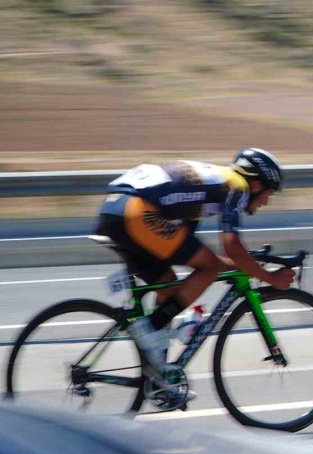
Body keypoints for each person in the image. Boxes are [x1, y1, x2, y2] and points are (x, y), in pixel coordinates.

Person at [94, 148, 294, 387]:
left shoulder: (203, 191)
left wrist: (245, 265)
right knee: (207, 267)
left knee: (168, 285)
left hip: (114, 210)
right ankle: (149, 329)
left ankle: (157, 377)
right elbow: (231, 248)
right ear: (256, 184)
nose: (266, 202)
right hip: (135, 210)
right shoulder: (237, 186)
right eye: (268, 193)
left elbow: (194, 252)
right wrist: (271, 278)